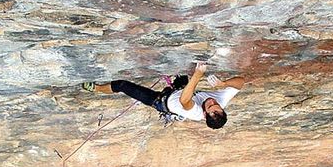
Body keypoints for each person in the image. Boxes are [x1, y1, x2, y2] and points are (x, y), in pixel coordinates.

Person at [82, 62, 250, 129]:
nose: (213, 101)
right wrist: (224, 84)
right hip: (177, 91)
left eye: (210, 105)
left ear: (205, 113)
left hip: (161, 102)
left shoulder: (196, 113)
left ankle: (96, 88)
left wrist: (198, 75)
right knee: (184, 77)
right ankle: (180, 82)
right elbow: (241, 82)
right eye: (216, 104)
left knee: (122, 85)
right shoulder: (219, 103)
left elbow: (185, 100)